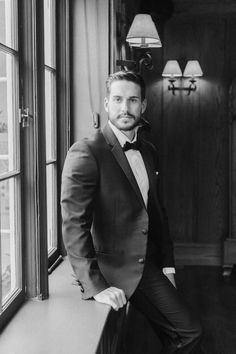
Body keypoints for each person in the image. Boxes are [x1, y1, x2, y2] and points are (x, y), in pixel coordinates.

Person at [61, 71, 202, 353]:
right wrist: (96, 285)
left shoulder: (148, 150)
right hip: (117, 266)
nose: (125, 108)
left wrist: (168, 266)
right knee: (190, 333)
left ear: (143, 106)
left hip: (148, 260)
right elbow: (73, 223)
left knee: (177, 335)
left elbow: (157, 213)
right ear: (106, 104)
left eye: (133, 100)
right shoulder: (87, 151)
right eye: (118, 99)